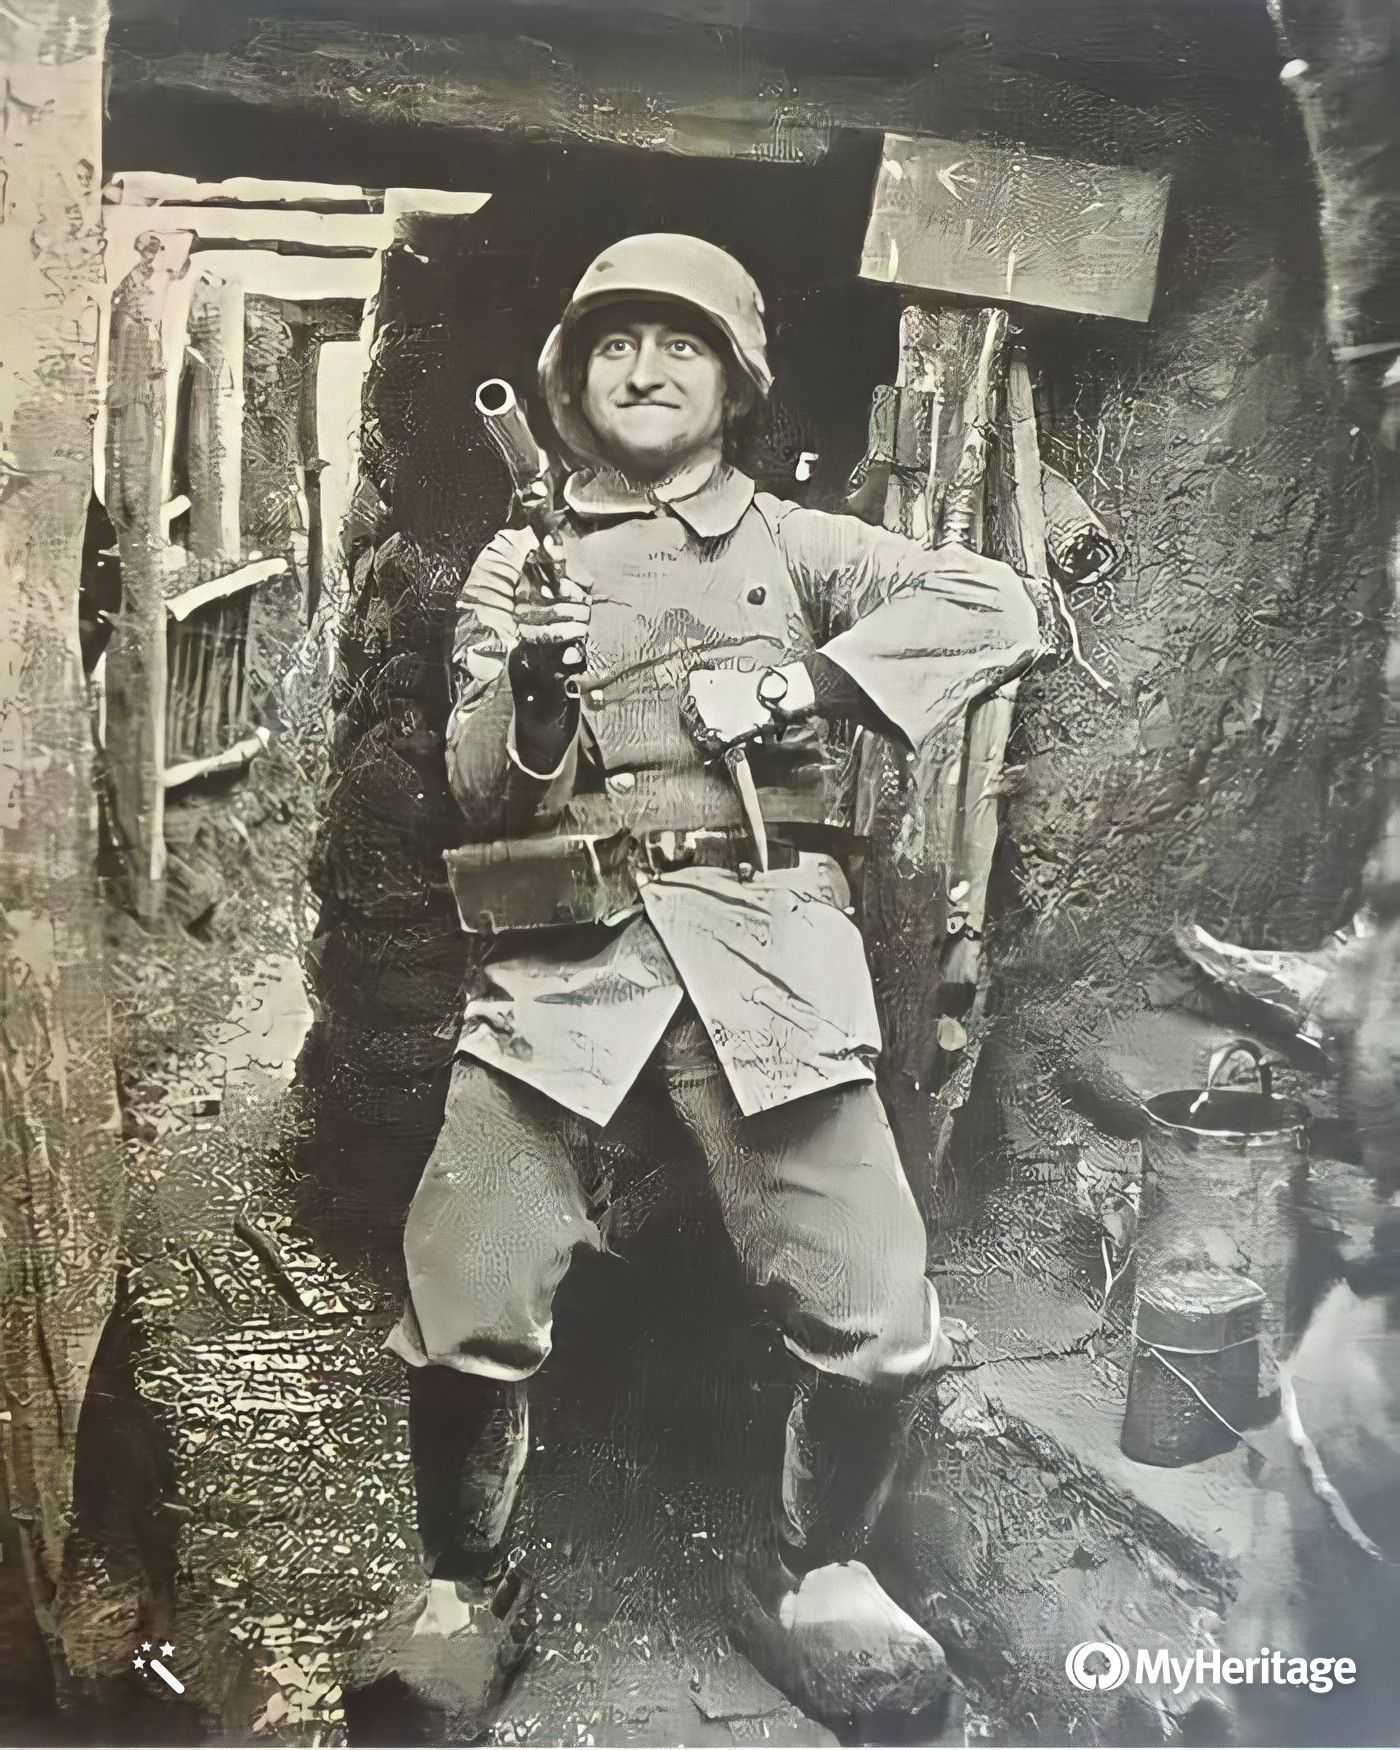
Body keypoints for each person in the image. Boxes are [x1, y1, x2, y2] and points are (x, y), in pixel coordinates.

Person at [385, 232, 1048, 1730]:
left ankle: (816, 1574)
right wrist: (537, 686)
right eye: (614, 345)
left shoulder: (798, 544)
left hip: (768, 952)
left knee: (877, 1305)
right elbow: (485, 793)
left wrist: (800, 680)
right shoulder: (514, 566)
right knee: (466, 1277)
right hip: (564, 961)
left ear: (735, 383)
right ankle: (463, 1591)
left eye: (680, 344)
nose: (644, 370)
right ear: (570, 382)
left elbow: (1000, 608)